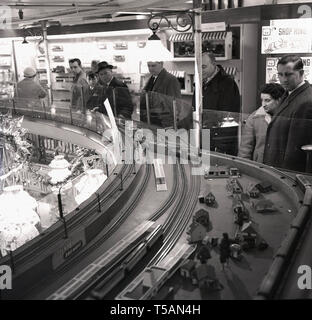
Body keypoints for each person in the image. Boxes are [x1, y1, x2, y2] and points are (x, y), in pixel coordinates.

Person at [263, 55, 312, 172]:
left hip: (285, 174)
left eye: (288, 74)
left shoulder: (306, 101)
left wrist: (285, 180)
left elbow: (295, 150)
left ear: (301, 73)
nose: (283, 79)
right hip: (276, 168)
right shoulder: (288, 93)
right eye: (280, 74)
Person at [238, 83, 285, 163]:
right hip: (260, 166)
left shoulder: (287, 116)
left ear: (279, 100)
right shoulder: (254, 118)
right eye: (262, 100)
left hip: (280, 166)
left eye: (267, 100)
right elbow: (245, 149)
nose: (263, 104)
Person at [140, 61, 190, 128]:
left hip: (163, 124)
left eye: (153, 66)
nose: (150, 68)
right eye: (148, 66)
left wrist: (169, 125)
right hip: (152, 122)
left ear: (161, 64)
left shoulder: (171, 80)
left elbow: (176, 105)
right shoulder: (151, 78)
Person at [200, 51, 240, 124]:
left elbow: (228, 114)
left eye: (203, 67)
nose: (200, 70)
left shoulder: (228, 83)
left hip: (215, 130)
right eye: (198, 67)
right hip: (203, 127)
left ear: (214, 64)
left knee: (206, 135)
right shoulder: (201, 81)